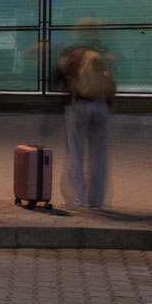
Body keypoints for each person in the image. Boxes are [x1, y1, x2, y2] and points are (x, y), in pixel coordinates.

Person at [57, 18, 117, 208]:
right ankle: (97, 201)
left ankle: (80, 198)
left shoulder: (73, 52)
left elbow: (61, 80)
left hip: (80, 106)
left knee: (76, 154)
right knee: (99, 157)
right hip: (102, 106)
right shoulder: (104, 51)